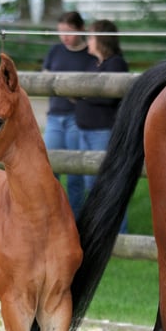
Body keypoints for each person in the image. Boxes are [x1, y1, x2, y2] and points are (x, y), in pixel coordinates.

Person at [75, 19, 130, 233]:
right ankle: (99, 229)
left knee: (110, 183)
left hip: (102, 133)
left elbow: (109, 99)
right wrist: (85, 94)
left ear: (102, 39)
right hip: (84, 130)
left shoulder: (116, 63)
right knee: (91, 185)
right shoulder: (92, 63)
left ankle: (119, 232)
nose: (87, 40)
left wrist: (82, 95)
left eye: (91, 36)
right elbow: (80, 90)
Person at [42, 11, 94, 220]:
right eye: (60, 32)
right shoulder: (55, 51)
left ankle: (75, 219)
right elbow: (44, 76)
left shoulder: (90, 53)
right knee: (49, 169)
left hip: (77, 120)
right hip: (54, 118)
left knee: (75, 174)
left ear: (80, 29)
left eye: (69, 32)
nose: (64, 37)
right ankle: (51, 217)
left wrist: (77, 94)